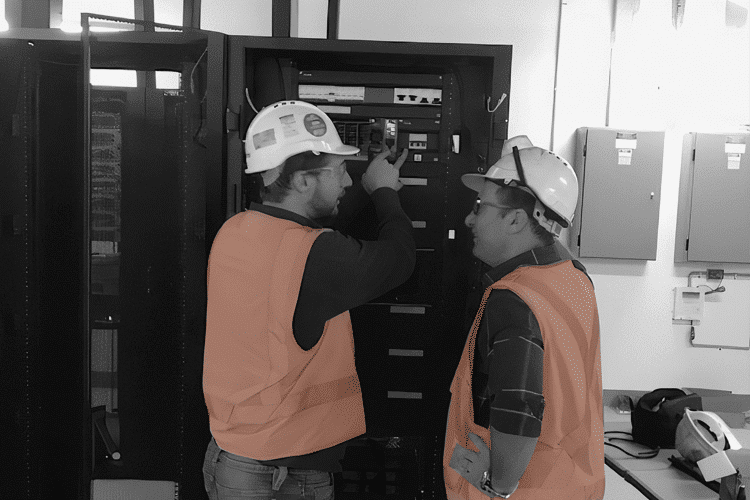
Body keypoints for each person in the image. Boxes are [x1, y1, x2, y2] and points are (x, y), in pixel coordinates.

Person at [202, 100, 415, 500]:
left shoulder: (235, 231)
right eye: (340, 170)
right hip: (282, 474)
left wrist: (363, 188)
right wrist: (385, 192)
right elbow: (399, 259)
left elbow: (305, 232)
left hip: (230, 456)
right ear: (302, 181)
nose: (348, 181)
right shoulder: (315, 256)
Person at [443, 136, 605, 499]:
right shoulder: (574, 278)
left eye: (480, 207)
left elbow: (518, 409)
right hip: (572, 485)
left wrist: (496, 486)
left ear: (516, 219)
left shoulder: (514, 298)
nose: (469, 219)